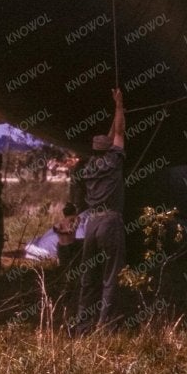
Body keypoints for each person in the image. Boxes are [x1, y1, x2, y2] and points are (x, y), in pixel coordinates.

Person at [73, 88, 127, 332]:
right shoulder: (114, 161)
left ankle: (83, 323)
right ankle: (106, 326)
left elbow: (110, 136)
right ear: (108, 150)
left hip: (91, 223)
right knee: (110, 274)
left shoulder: (88, 169)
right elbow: (119, 132)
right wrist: (118, 105)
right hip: (110, 221)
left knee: (88, 276)